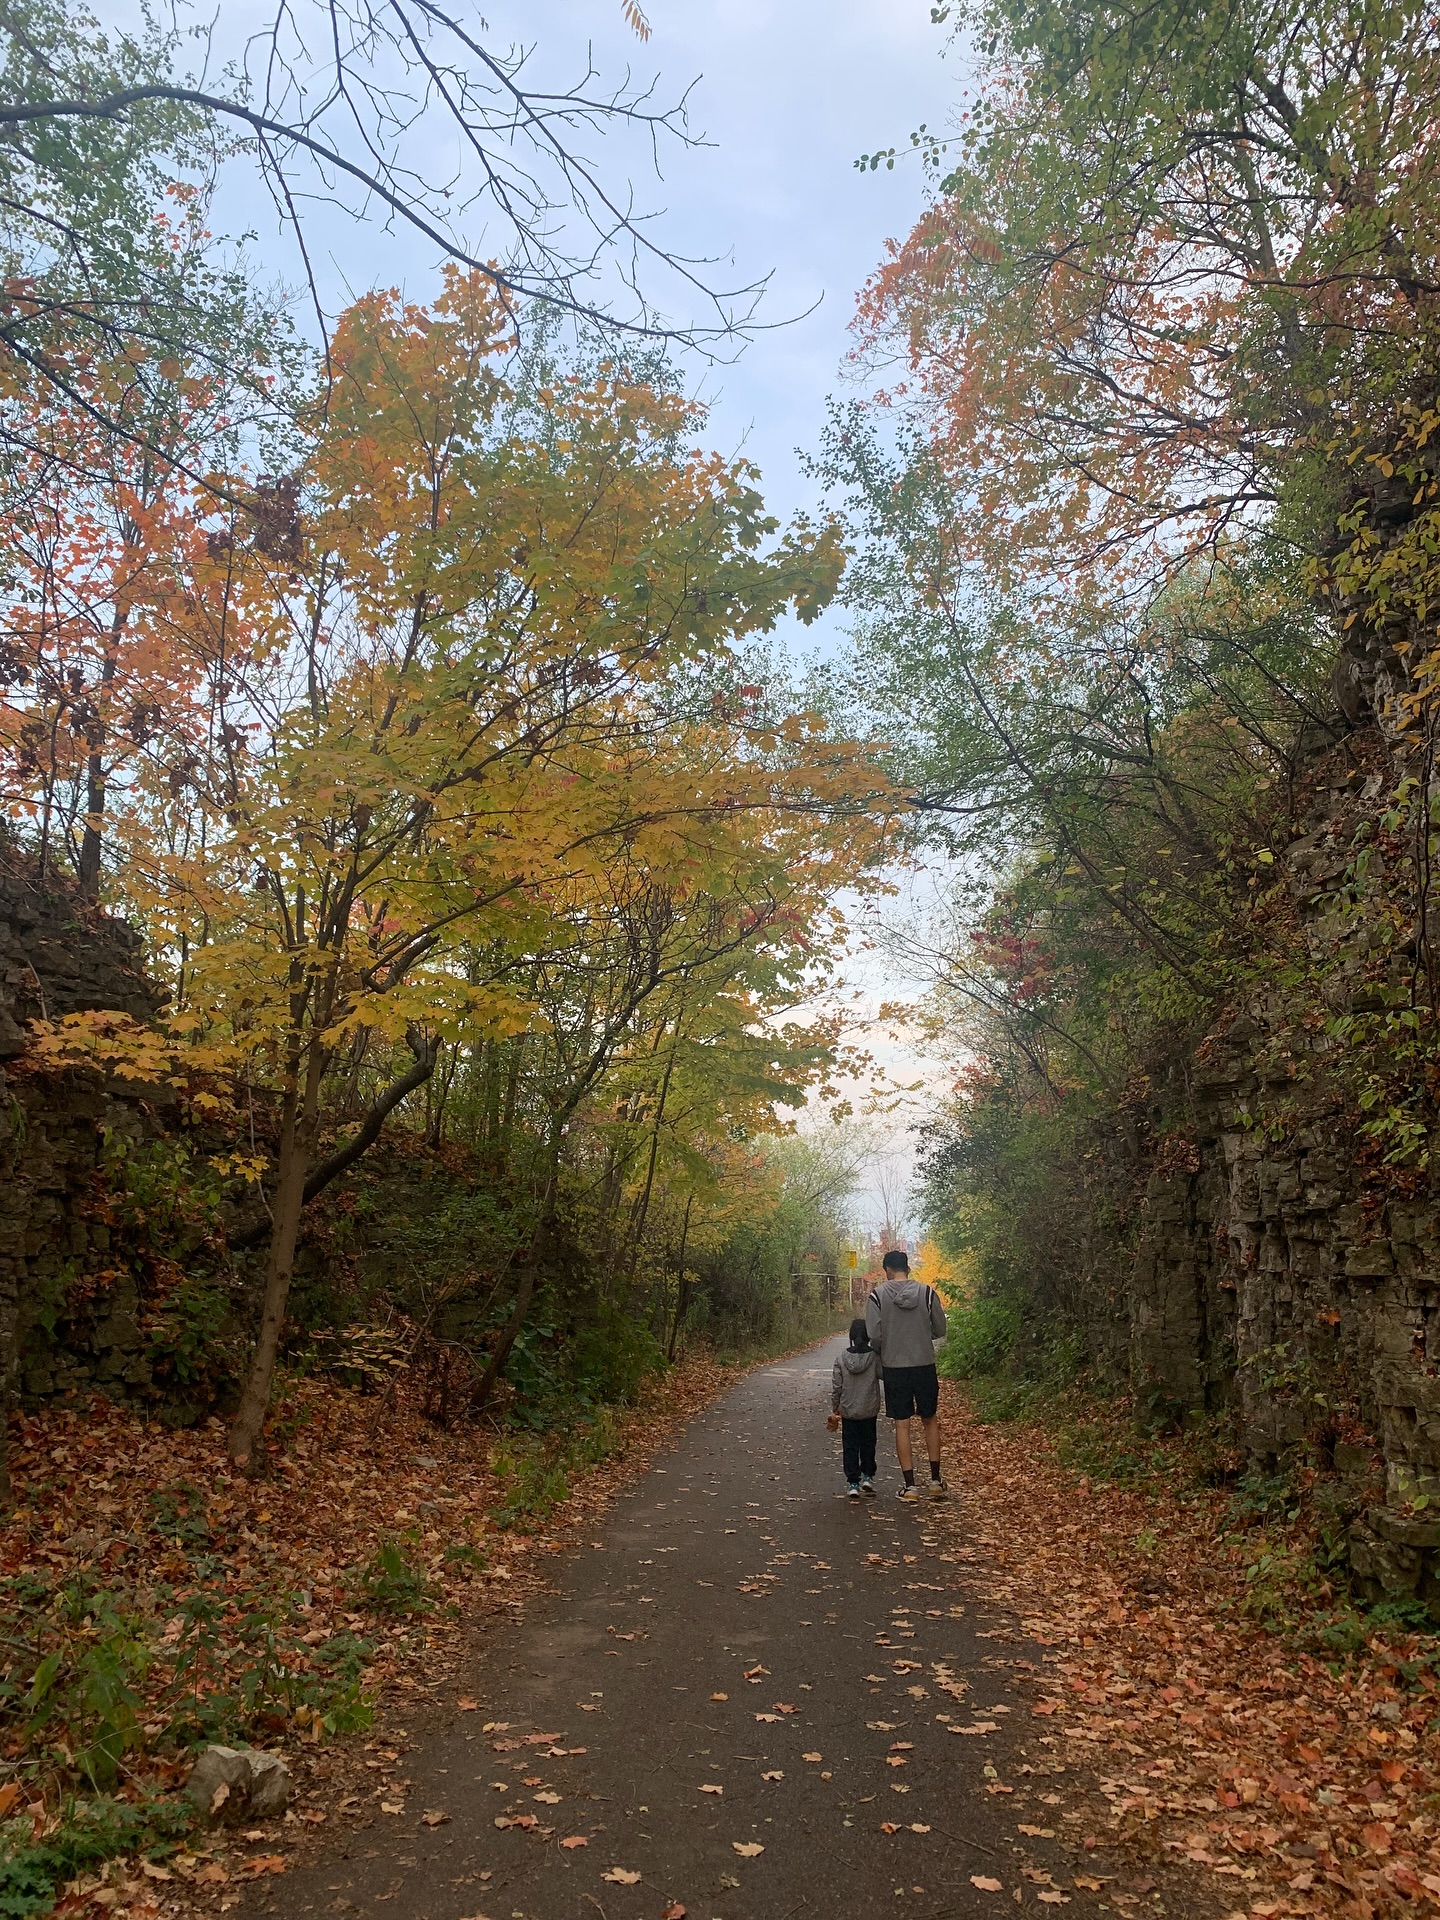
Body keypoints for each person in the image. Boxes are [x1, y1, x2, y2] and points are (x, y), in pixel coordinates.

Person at [865, 1249, 948, 1502]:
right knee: (929, 1419)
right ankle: (935, 1481)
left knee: (902, 1424)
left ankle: (910, 1486)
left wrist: (886, 1346)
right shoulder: (927, 1293)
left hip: (894, 1366)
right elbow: (940, 1328)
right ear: (908, 1268)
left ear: (888, 1270)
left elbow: (874, 1335)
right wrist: (922, 1336)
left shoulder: (877, 1296)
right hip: (924, 1364)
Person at [828, 1317, 881, 1498]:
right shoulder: (874, 1357)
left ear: (851, 1336)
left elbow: (837, 1386)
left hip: (848, 1410)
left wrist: (835, 1407)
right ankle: (868, 1476)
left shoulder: (841, 1358)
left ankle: (853, 1483)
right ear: (868, 1336)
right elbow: (883, 1374)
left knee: (850, 1446)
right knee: (868, 1443)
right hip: (869, 1409)